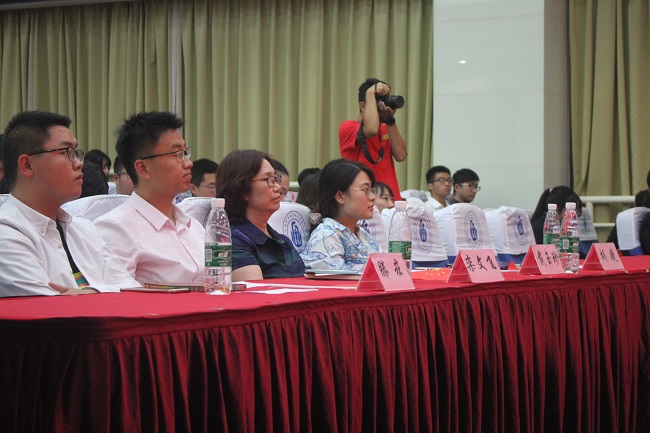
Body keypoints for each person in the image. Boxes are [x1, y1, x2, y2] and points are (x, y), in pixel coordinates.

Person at [0, 110, 139, 296]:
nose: (79, 163)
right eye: (67, 152)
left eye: (76, 153)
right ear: (27, 165)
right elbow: (46, 308)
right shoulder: (6, 233)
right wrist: (104, 292)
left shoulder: (83, 229)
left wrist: (89, 292)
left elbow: (131, 289)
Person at [94, 111, 204, 285]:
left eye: (185, 152)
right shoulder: (116, 228)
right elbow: (118, 296)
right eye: (177, 154)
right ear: (143, 168)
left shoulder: (193, 225)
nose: (188, 163)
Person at [216, 149, 305, 281]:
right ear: (243, 189)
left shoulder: (283, 241)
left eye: (276, 179)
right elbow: (255, 290)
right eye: (268, 180)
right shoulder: (231, 241)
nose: (278, 188)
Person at [301, 158, 381, 272]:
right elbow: (334, 281)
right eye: (365, 189)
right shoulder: (325, 236)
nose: (372, 197)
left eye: (371, 190)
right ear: (340, 196)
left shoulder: (363, 234)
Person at [339, 78, 407, 201]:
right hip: (366, 203)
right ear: (363, 106)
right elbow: (371, 130)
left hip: (391, 201)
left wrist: (390, 120)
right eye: (377, 102)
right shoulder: (348, 127)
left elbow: (401, 155)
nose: (382, 105)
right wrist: (371, 92)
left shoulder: (385, 128)